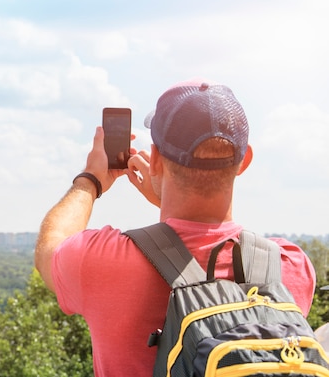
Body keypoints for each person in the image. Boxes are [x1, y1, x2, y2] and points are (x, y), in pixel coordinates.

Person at [35, 78, 316, 377]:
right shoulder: (289, 266)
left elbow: (49, 250)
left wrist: (89, 180)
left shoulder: (103, 261)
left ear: (154, 159)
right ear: (244, 161)